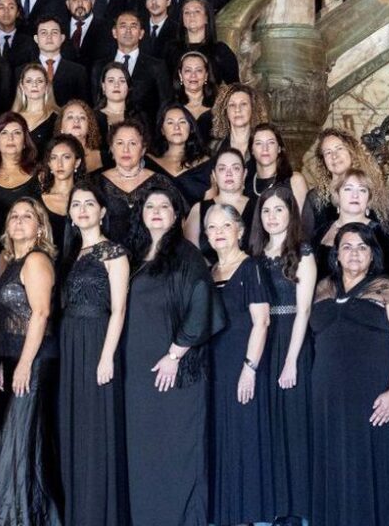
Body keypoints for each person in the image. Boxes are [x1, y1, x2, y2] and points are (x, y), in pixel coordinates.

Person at [123, 183, 223, 526]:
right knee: (145, 455)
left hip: (173, 373)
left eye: (163, 206)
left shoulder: (186, 254)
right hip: (138, 374)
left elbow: (202, 300)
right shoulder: (136, 254)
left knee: (177, 453)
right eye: (149, 206)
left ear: (176, 215)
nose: (155, 211)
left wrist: (176, 353)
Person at [310, 222, 389, 526]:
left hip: (373, 398)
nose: (354, 253)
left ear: (372, 254)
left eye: (362, 247)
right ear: (337, 255)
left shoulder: (387, 289)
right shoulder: (322, 289)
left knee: (369, 467)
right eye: (347, 246)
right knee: (335, 467)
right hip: (328, 398)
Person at [57, 184, 131, 525]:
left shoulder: (114, 252)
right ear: (70, 214)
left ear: (102, 212)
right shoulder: (71, 254)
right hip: (71, 344)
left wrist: (106, 357)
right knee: (75, 428)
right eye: (76, 204)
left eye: (90, 203)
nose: (83, 209)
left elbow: (118, 310)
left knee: (97, 428)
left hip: (98, 341)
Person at [0, 199, 61, 526]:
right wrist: (8, 361)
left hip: (37, 359)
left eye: (27, 216)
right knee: (18, 441)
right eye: (13, 215)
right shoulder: (9, 260)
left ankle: (23, 518)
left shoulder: (36, 259)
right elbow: (9, 318)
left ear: (40, 226)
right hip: (18, 358)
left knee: (19, 442)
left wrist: (25, 363)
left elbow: (41, 313)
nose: (18, 221)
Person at [249, 184, 316, 523]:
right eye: (266, 211)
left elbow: (304, 311)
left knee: (293, 428)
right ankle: (274, 506)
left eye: (279, 210)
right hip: (263, 341)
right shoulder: (255, 256)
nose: (272, 216)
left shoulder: (303, 252)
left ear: (291, 214)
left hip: (292, 341)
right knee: (269, 427)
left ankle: (299, 507)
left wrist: (291, 360)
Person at [204, 203, 273, 526]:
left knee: (243, 438)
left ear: (240, 231)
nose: (218, 233)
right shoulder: (209, 272)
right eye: (212, 228)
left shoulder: (251, 268)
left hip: (240, 366)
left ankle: (249, 516)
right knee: (219, 439)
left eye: (225, 226)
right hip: (213, 368)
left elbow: (262, 322)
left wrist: (249, 367)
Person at [97, 119, 175, 247]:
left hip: (154, 256)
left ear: (143, 149)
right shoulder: (97, 183)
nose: (125, 149)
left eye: (132, 143)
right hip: (109, 258)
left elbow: (177, 223)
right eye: (120, 143)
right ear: (111, 148)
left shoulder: (161, 182)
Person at [311, 170, 389, 281]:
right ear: (337, 195)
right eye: (348, 189)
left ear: (368, 199)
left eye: (362, 190)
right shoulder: (320, 232)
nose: (355, 195)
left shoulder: (381, 234)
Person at [303, 126, 389, 234]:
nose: (334, 156)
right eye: (328, 152)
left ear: (351, 152)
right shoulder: (314, 198)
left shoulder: (375, 190)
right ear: (323, 160)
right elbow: (305, 241)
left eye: (339, 148)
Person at [183, 147, 249, 263]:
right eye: (222, 169)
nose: (229, 173)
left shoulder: (260, 205)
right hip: (208, 277)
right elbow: (190, 255)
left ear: (244, 174)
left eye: (235, 168)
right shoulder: (199, 209)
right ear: (214, 175)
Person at [147, 102, 212, 208]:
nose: (176, 127)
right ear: (162, 130)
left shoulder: (206, 164)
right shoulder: (148, 162)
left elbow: (210, 207)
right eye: (170, 123)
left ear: (191, 128)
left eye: (182, 122)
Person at [0, 112, 43, 220]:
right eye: (4, 133)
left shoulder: (40, 174)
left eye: (17, 133)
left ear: (25, 141)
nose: (10, 138)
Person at [38, 135, 84, 248]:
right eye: (54, 158)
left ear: (77, 163)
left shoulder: (88, 198)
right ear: (49, 164)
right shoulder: (36, 201)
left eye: (66, 157)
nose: (59, 164)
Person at [12, 62, 60, 150]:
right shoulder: (12, 118)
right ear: (22, 86)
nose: (34, 85)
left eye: (39, 81)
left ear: (46, 86)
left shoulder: (58, 118)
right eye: (29, 81)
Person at [172, 51, 219, 137]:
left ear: (206, 75)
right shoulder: (171, 107)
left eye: (199, 70)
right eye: (188, 71)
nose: (193, 75)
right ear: (180, 75)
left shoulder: (219, 106)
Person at [209, 82, 263, 156]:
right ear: (225, 111)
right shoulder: (214, 147)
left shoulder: (264, 145)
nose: (237, 109)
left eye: (243, 104)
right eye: (232, 105)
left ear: (253, 108)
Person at [57, 99, 105, 172]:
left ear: (89, 126)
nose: (76, 120)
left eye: (82, 117)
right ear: (61, 127)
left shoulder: (105, 157)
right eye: (70, 117)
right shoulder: (51, 158)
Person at [92, 62, 133, 143]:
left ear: (128, 87)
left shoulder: (139, 117)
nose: (116, 85)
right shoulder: (92, 117)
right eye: (111, 81)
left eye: (122, 81)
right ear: (103, 86)